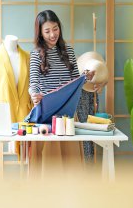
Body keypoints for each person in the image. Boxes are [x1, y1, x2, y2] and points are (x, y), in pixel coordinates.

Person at [28, 10, 94, 176]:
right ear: (40, 33)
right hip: (47, 115)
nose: (52, 34)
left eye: (55, 29)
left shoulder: (68, 51)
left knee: (71, 165)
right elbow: (33, 83)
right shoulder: (36, 54)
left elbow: (74, 83)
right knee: (50, 166)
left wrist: (85, 78)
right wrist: (34, 95)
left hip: (68, 114)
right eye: (47, 31)